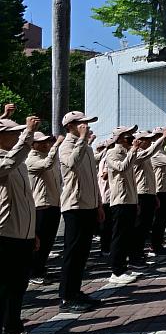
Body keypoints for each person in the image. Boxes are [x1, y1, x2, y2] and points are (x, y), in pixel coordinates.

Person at [0, 116, 44, 334]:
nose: (18, 135)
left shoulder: (17, 159)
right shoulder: (8, 159)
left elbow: (25, 199)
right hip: (4, 233)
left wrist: (32, 231)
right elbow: (7, 164)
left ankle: (14, 329)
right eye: (13, 132)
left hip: (22, 232)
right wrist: (27, 136)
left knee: (18, 286)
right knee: (2, 288)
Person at [59, 111, 105, 312]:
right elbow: (72, 164)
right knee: (72, 253)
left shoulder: (84, 146)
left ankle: (76, 291)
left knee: (82, 253)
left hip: (88, 206)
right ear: (71, 126)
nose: (86, 126)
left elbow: (92, 179)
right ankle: (66, 297)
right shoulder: (66, 146)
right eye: (82, 123)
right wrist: (83, 141)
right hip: (74, 206)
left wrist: (99, 205)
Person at [131, 125, 166, 267]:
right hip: (141, 194)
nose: (150, 142)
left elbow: (150, 178)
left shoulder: (147, 155)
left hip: (149, 193)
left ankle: (140, 254)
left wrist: (154, 194)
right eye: (147, 140)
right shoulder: (138, 155)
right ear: (139, 141)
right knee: (140, 227)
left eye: (151, 140)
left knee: (145, 226)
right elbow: (163, 158)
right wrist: (163, 137)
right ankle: (136, 256)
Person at [26, 131, 65, 285]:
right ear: (32, 144)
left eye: (47, 141)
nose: (46, 144)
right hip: (40, 205)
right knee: (39, 242)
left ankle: (41, 269)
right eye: (41, 142)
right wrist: (56, 146)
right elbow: (46, 165)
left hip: (53, 204)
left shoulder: (49, 156)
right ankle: (33, 272)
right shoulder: (31, 159)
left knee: (48, 241)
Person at [105, 126, 142, 284]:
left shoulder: (128, 153)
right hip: (120, 200)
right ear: (119, 139)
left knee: (127, 236)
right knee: (119, 236)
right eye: (128, 137)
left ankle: (123, 267)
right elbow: (122, 167)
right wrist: (133, 150)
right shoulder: (112, 153)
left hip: (130, 200)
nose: (132, 139)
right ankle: (116, 271)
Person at [96, 140, 112, 256]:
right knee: (106, 225)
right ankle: (105, 248)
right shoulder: (107, 159)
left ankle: (108, 247)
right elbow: (104, 175)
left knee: (110, 225)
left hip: (111, 196)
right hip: (106, 196)